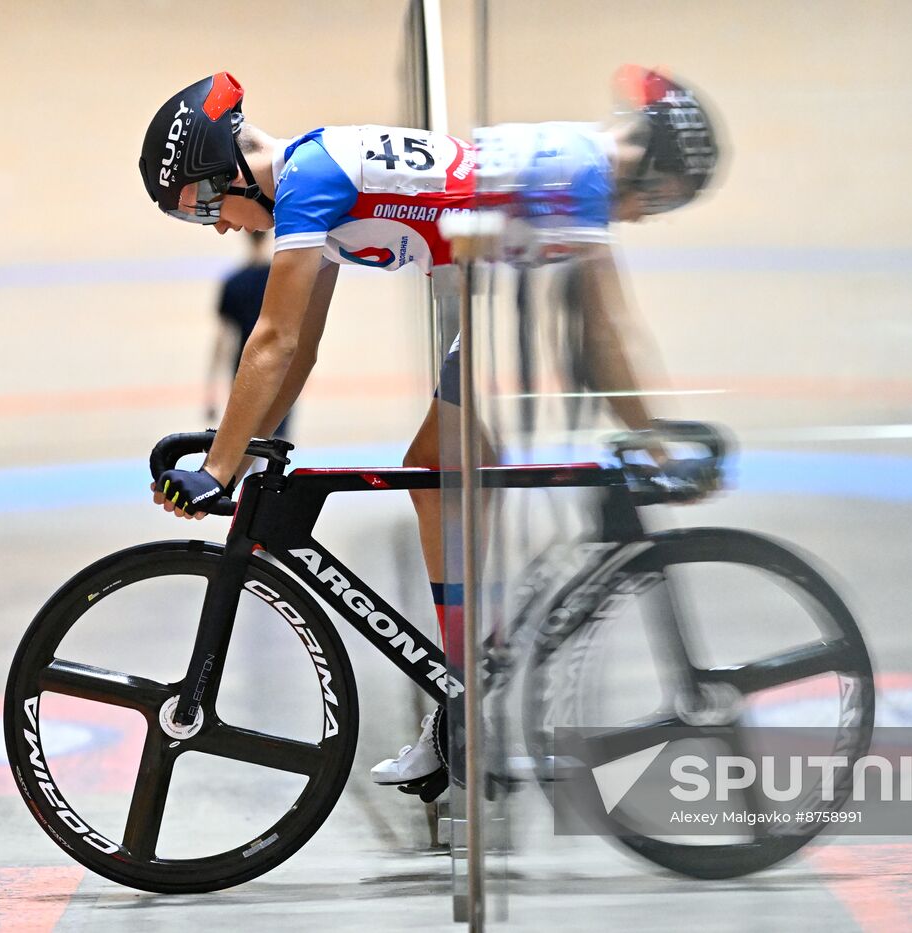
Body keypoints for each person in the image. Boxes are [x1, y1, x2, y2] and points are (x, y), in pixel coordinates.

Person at [138, 68, 721, 790]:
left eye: (200, 208)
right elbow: (298, 350)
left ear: (227, 168)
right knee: (440, 477)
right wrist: (238, 449)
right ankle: (466, 703)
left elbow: (274, 341)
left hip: (518, 261)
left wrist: (220, 468)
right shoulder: (313, 175)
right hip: (504, 274)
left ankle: (466, 706)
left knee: (443, 474)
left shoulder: (310, 180)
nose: (219, 226)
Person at [204, 230, 289, 439]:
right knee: (275, 439)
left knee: (244, 437)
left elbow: (222, 338)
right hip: (278, 367)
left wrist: (211, 388)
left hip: (244, 365)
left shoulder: (234, 282)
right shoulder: (284, 279)